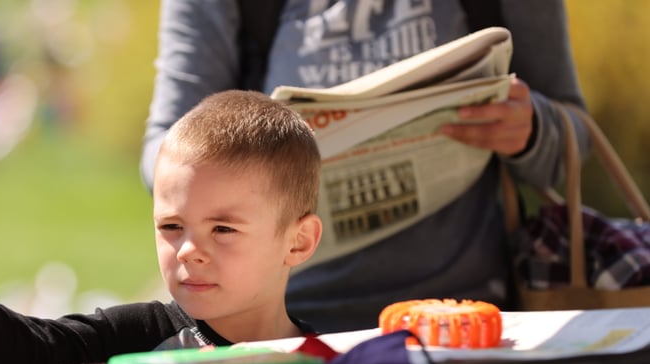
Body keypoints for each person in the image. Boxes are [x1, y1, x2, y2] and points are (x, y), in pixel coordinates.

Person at [140, 0, 590, 332]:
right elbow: (163, 146)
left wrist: (532, 128)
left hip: (461, 320)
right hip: (279, 323)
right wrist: (253, 158)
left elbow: (577, 133)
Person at [0, 90, 324, 364]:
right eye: (172, 227)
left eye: (223, 229)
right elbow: (37, 356)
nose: (188, 249)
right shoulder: (139, 338)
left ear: (298, 242)